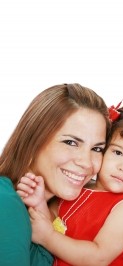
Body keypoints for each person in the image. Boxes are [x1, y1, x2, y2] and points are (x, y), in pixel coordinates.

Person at [17, 105, 123, 265]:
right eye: (118, 152)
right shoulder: (77, 185)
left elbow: (99, 257)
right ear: (101, 151)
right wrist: (39, 202)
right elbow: (55, 225)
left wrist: (48, 237)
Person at [0, 83, 110, 266]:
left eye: (97, 148)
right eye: (71, 142)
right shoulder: (5, 200)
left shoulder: (62, 220)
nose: (87, 162)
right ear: (33, 140)